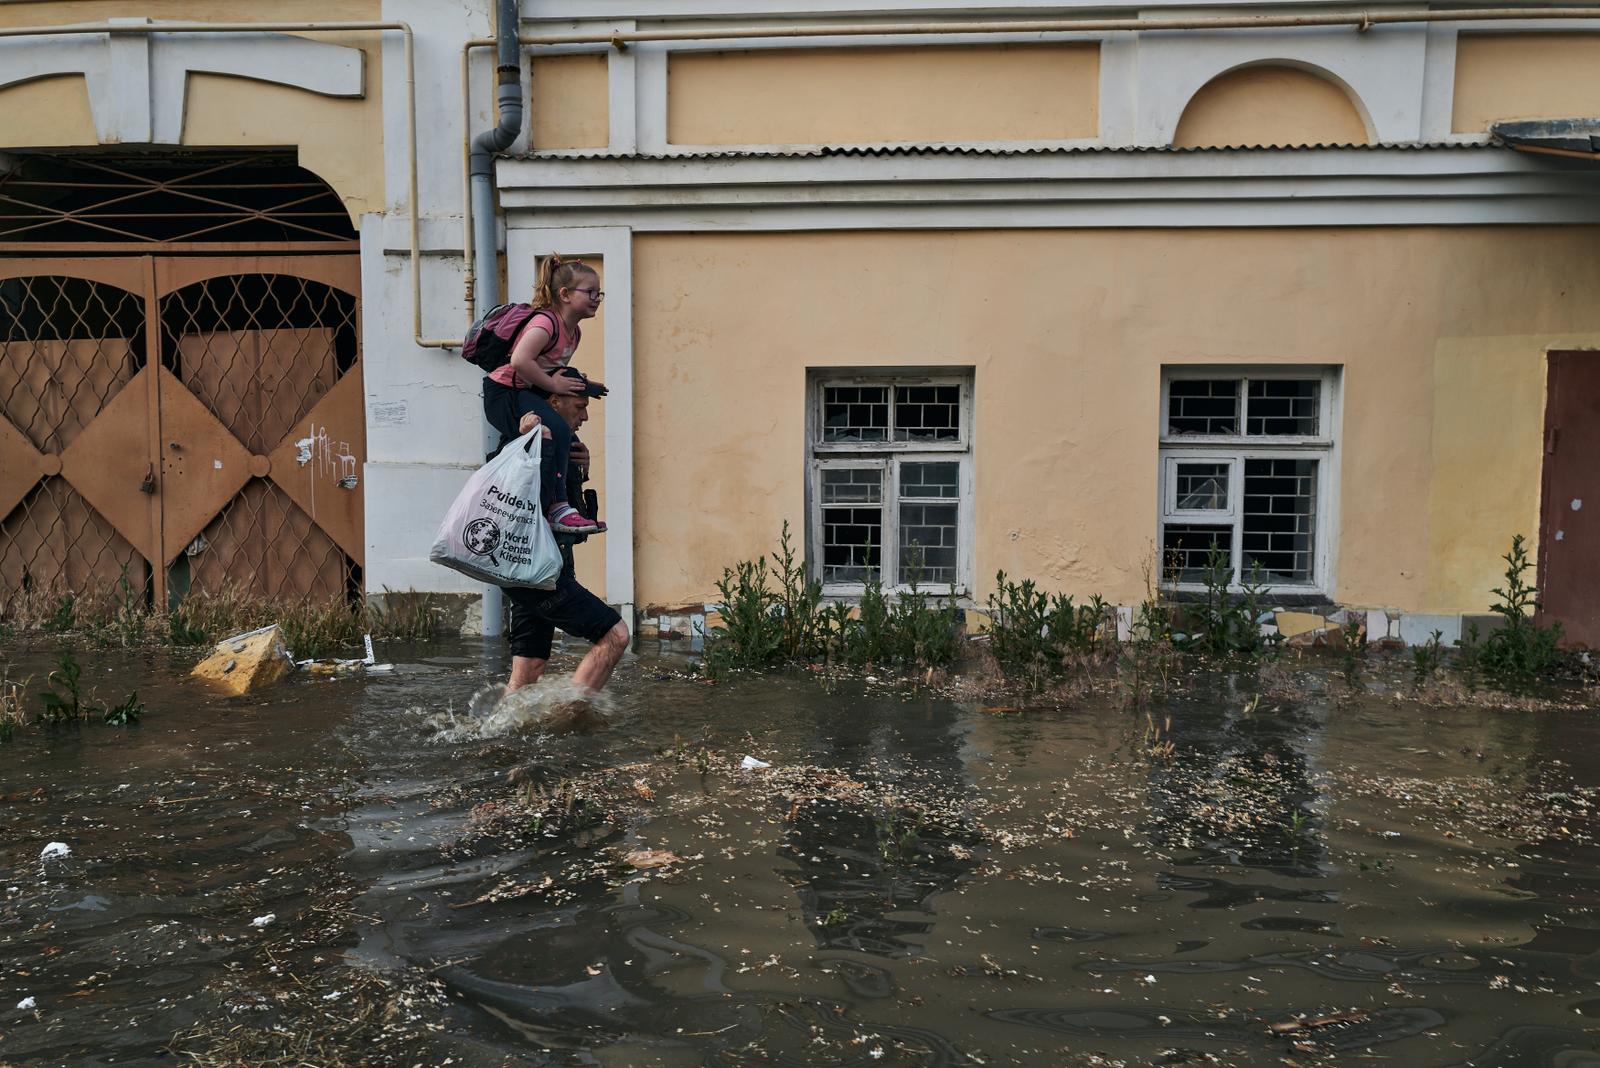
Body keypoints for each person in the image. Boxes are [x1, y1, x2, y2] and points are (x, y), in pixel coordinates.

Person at [502, 368, 628, 700]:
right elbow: (516, 501)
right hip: (538, 569)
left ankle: (500, 735)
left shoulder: (564, 448)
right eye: (580, 406)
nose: (585, 416)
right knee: (615, 635)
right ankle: (570, 717)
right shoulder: (527, 438)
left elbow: (569, 522)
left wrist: (579, 474)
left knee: (528, 671)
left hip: (532, 569)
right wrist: (530, 443)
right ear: (554, 401)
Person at [482, 254, 608, 535]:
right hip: (504, 393)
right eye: (590, 292)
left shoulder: (573, 332)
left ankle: (566, 507)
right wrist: (553, 387)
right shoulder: (545, 324)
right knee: (555, 430)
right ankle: (557, 507)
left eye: (599, 293)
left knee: (567, 441)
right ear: (564, 294)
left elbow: (551, 371)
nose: (596, 298)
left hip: (525, 391)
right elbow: (519, 361)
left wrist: (585, 386)